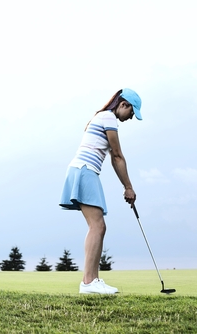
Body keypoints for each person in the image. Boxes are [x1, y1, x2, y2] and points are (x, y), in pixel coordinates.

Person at [59, 88, 142, 294]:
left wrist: (127, 186)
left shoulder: (102, 117)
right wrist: (128, 187)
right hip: (85, 171)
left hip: (83, 171)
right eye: (132, 112)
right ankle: (88, 282)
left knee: (98, 226)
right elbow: (117, 156)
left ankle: (92, 280)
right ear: (123, 104)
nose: (131, 117)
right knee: (97, 226)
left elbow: (115, 159)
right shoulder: (108, 118)